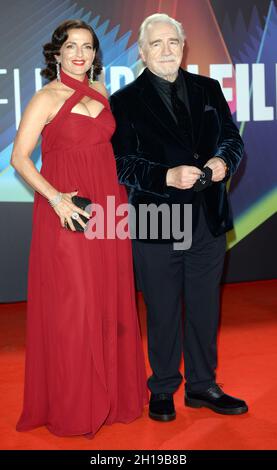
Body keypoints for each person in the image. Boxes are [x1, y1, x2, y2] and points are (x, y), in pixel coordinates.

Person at [11, 19, 148, 438]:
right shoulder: (45, 98)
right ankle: (75, 404)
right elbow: (19, 158)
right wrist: (55, 198)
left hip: (109, 209)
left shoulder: (103, 93)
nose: (79, 54)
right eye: (71, 46)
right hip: (68, 211)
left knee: (110, 299)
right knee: (76, 308)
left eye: (87, 47)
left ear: (94, 54)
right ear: (55, 53)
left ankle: (113, 398)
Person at [110, 13, 248, 421]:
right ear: (141, 51)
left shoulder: (207, 89)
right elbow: (122, 163)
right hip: (156, 217)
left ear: (184, 45)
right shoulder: (124, 101)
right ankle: (164, 386)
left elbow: (231, 138)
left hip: (208, 215)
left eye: (173, 42)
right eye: (157, 44)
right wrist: (164, 176)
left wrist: (224, 161)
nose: (167, 50)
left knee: (205, 306)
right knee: (163, 307)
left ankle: (203, 385)